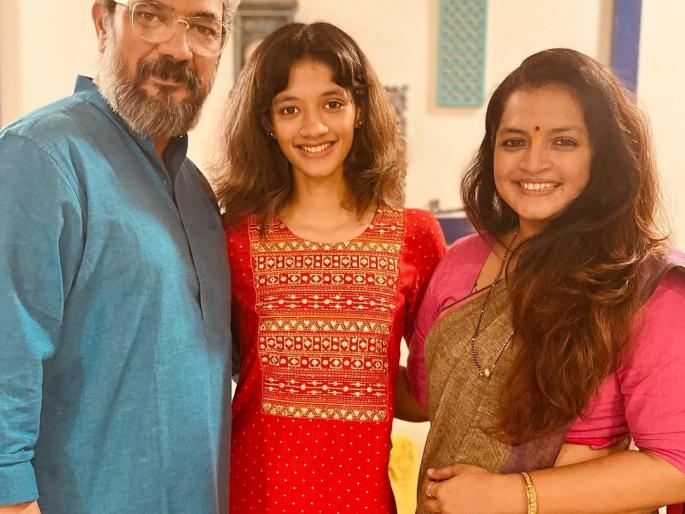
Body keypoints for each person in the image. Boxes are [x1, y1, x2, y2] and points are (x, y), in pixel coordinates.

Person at [401, 48, 685, 514]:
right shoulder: (461, 261)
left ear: (605, 154)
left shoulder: (646, 289)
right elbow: (425, 398)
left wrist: (508, 496)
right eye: (513, 142)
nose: (533, 163)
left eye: (564, 142)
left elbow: (676, 464)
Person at [0, 1, 238, 513]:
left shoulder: (197, 191)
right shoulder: (39, 157)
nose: (178, 48)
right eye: (151, 14)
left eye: (204, 27)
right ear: (103, 22)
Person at [216, 22, 445, 513]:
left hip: (362, 500)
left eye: (333, 103)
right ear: (267, 122)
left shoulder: (415, 237)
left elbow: (433, 390)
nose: (313, 127)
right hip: (252, 497)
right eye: (289, 109)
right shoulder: (234, 238)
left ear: (360, 110)